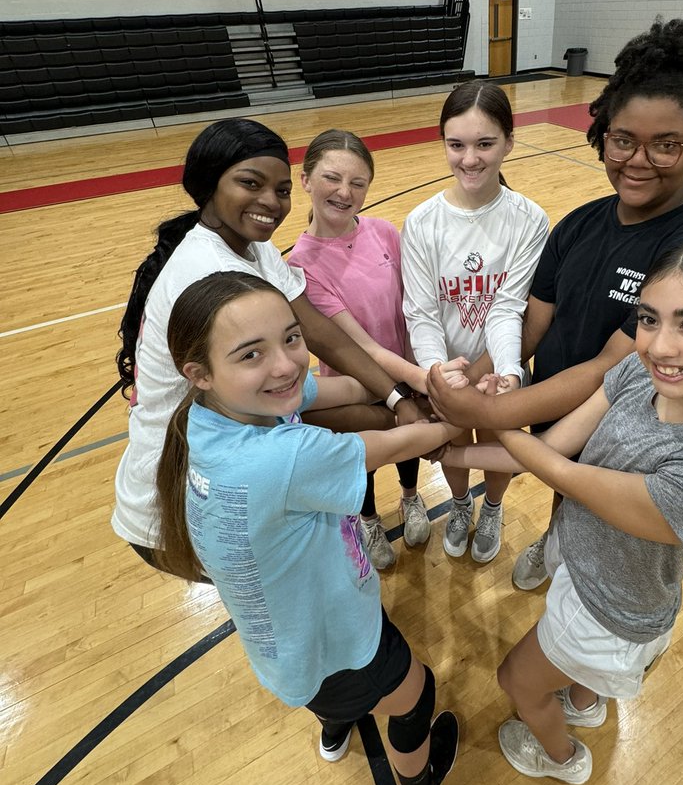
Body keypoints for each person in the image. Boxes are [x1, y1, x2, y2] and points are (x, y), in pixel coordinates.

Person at [424, 16, 683, 590]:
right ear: (603, 132)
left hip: (633, 444)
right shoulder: (579, 224)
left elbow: (612, 366)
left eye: (666, 145)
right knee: (564, 492)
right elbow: (530, 325)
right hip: (556, 414)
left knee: (609, 553)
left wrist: (488, 415)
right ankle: (555, 542)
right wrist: (466, 380)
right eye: (623, 139)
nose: (638, 160)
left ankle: (572, 566)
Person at [436, 243, 683, 785]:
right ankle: (585, 701)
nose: (660, 345)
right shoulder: (643, 376)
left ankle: (563, 759)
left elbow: (562, 473)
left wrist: (481, 413)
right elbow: (549, 449)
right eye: (648, 319)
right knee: (575, 678)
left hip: (611, 613)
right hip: (585, 563)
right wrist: (450, 451)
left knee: (517, 683)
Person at [155, 270, 460, 785]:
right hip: (338, 641)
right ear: (198, 372)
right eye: (252, 354)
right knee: (417, 695)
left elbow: (347, 387)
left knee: (329, 695)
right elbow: (397, 444)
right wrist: (448, 419)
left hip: (284, 647)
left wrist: (399, 391)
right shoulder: (283, 457)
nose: (285, 364)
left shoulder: (208, 418)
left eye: (292, 338)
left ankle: (335, 728)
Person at [113, 118, 425, 574]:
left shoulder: (250, 248)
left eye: (280, 190)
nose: (270, 202)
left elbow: (320, 333)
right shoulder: (211, 276)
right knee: (301, 613)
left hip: (216, 478)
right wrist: (419, 423)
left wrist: (399, 401)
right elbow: (308, 408)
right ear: (209, 184)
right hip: (183, 505)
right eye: (250, 183)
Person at [288, 129, 461, 570]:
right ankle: (367, 518)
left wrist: (422, 369)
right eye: (331, 178)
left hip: (406, 366)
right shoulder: (301, 265)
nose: (344, 193)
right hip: (356, 383)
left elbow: (416, 305)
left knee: (405, 445)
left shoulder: (384, 232)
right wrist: (412, 383)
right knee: (363, 457)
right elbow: (361, 347)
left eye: (358, 183)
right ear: (305, 180)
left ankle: (409, 497)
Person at [401, 81, 549, 563]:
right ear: (442, 141)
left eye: (485, 143)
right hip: (444, 369)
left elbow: (508, 306)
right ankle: (461, 505)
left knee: (497, 441)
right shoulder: (422, 222)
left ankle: (492, 506)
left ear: (509, 141)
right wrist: (438, 372)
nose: (470, 158)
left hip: (496, 366)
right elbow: (421, 313)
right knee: (452, 444)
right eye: (456, 144)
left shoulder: (529, 220)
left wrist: (506, 371)